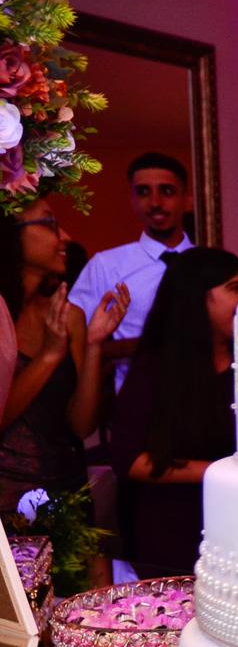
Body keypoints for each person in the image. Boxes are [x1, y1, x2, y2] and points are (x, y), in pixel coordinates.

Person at [107, 248, 238, 574]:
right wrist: (219, 471)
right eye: (234, 288)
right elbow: (128, 459)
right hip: (171, 532)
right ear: (198, 296)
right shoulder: (158, 367)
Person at [0, 199, 127, 511]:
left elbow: (82, 427)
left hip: (67, 494)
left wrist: (94, 344)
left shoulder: (70, 316)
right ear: (11, 234)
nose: (65, 237)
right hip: (7, 504)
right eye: (50, 224)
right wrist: (49, 356)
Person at [70, 152, 194, 392]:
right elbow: (77, 337)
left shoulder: (207, 263)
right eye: (143, 192)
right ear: (133, 201)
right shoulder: (106, 265)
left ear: (187, 200)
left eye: (167, 191)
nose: (155, 202)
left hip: (203, 397)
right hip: (134, 399)